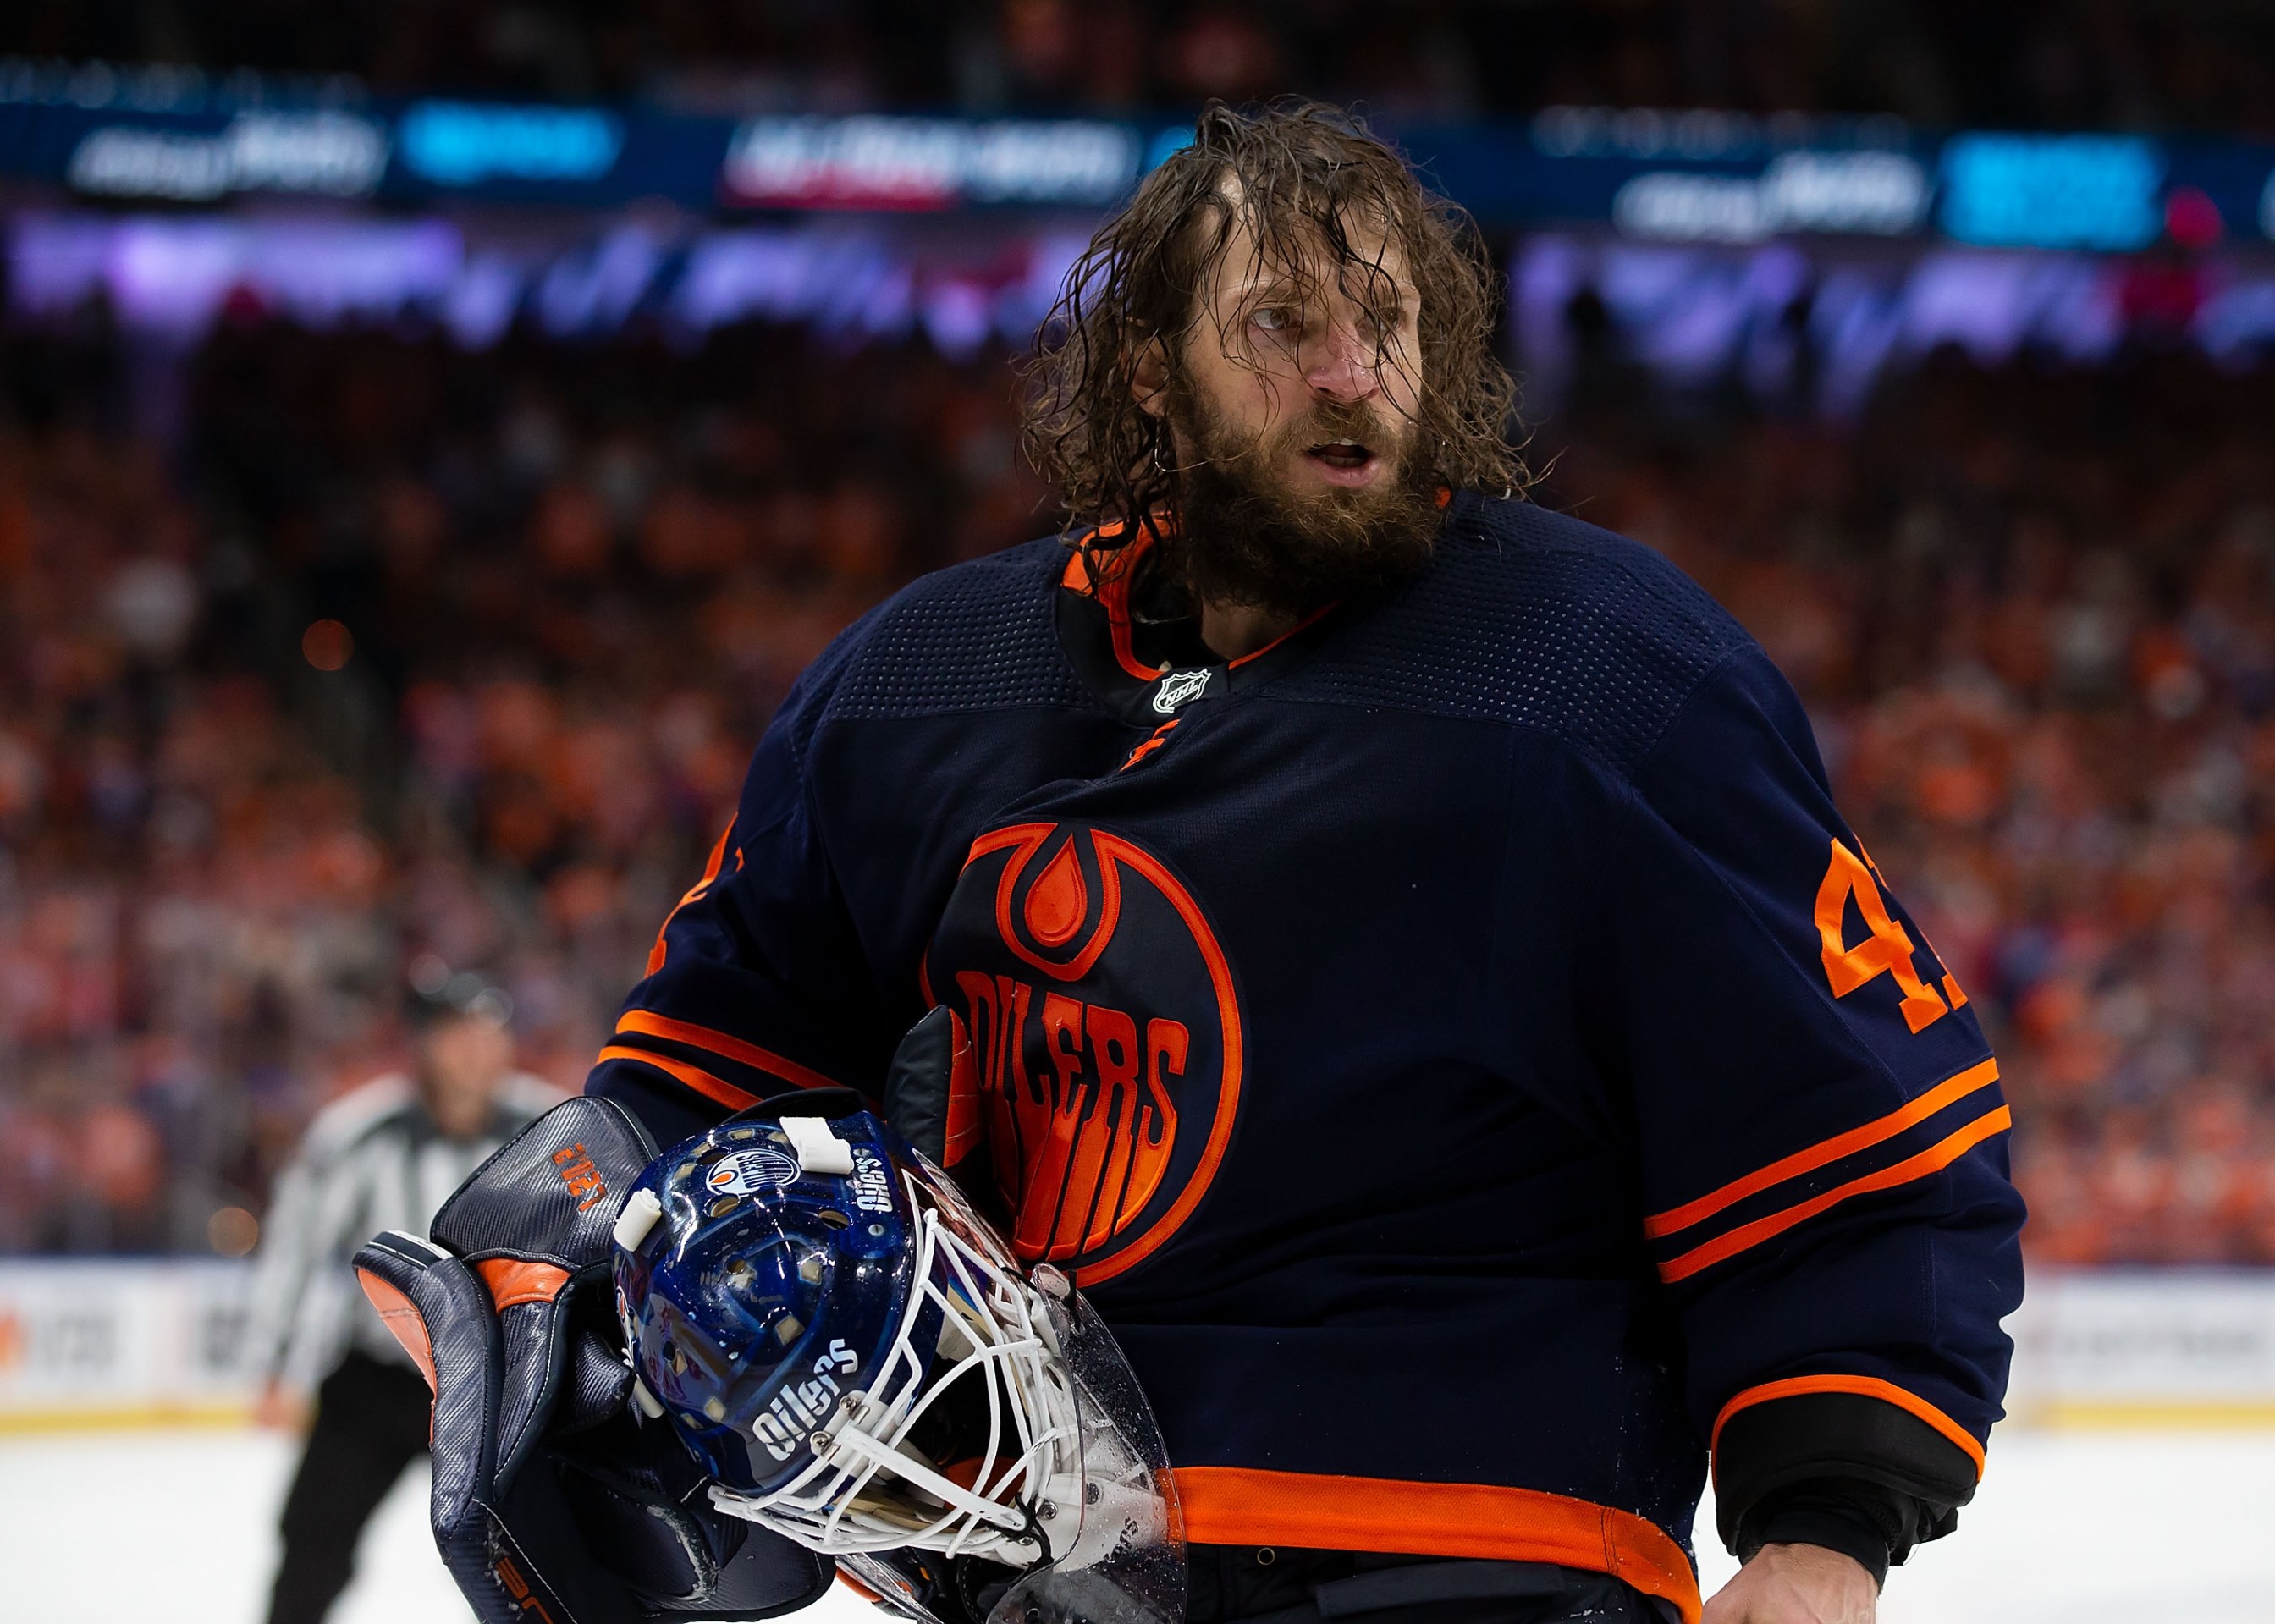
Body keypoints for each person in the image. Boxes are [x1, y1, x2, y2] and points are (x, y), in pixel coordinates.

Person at [436, 99, 2020, 1624]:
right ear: (1149, 368)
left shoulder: (1605, 673)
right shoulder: (919, 683)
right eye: (1280, 325)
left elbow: (1856, 1118)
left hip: (1484, 1554)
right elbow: (715, 1059)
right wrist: (567, 1259)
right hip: (1034, 1560)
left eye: (1387, 323)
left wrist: (1828, 1523)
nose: (1351, 376)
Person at [241, 966, 562, 1624]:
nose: (477, 1048)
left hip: (504, 1388)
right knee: (313, 1543)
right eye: (458, 1033)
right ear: (423, 1043)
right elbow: (297, 1249)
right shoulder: (361, 1133)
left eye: (489, 1032)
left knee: (538, 1564)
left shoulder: (548, 1125)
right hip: (378, 1380)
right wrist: (274, 1363)